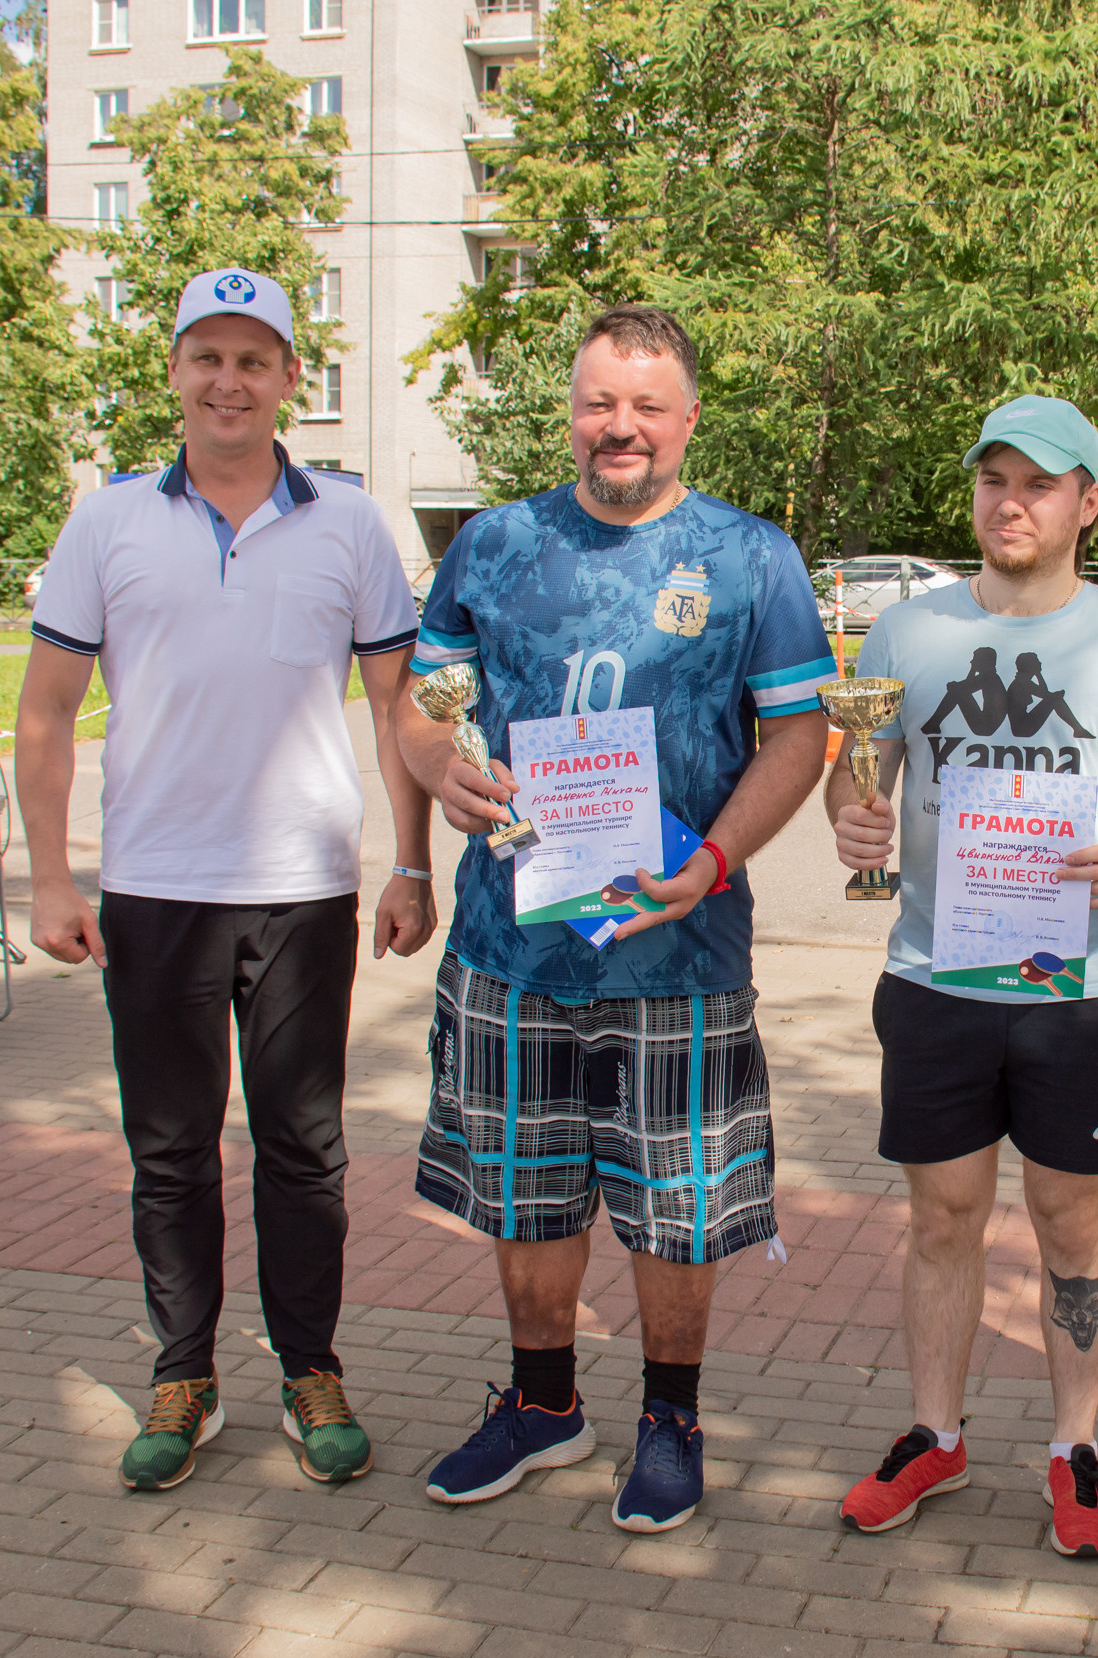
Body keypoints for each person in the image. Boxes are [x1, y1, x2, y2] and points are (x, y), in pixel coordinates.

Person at [400, 305, 835, 1535]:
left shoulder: (751, 557)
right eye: (600, 402)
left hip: (679, 941)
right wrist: (439, 767)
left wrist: (715, 858)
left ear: (689, 418)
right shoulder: (492, 545)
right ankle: (544, 1406)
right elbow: (423, 704)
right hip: (510, 938)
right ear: (571, 411)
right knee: (524, 1190)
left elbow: (800, 733)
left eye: (647, 406)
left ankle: (671, 1419)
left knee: (674, 1201)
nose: (620, 427)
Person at [17, 267, 436, 1493]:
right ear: (174, 372)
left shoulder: (350, 524)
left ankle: (310, 1369)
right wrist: (53, 878)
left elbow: (398, 707)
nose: (229, 381)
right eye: (208, 355)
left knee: (304, 1149)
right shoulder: (107, 521)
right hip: (154, 886)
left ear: (291, 380)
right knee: (169, 1150)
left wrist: (412, 860)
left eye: (254, 359)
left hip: (302, 888)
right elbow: (45, 714)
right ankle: (184, 1373)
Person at [826, 396, 1098, 1560]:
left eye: (1039, 483)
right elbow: (863, 770)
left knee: (1066, 1221)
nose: (1011, 501)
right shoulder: (906, 631)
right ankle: (934, 1434)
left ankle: (1074, 1446)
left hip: (1078, 990)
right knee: (942, 1216)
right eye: (994, 478)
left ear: (1087, 502)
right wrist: (854, 823)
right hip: (937, 980)